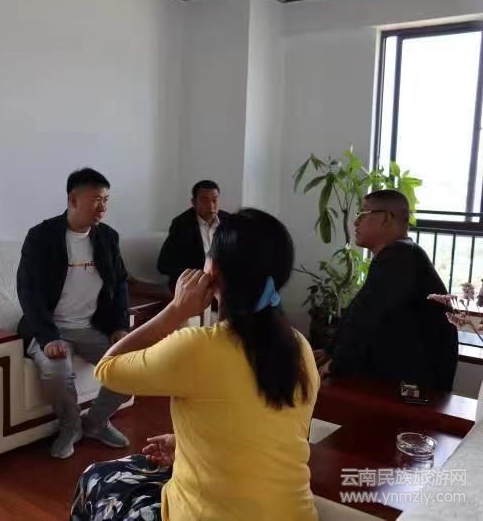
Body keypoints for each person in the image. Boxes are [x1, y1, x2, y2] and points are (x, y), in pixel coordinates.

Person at [72, 209, 319, 520]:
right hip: (296, 513)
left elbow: (108, 368)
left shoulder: (198, 347)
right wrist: (187, 444)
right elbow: (264, 432)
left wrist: (176, 310)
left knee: (96, 478)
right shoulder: (300, 346)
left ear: (212, 271)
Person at [17, 168, 132, 459]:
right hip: (51, 328)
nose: (102, 207)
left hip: (93, 327)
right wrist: (47, 337)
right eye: (96, 199)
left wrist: (120, 326)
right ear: (73, 199)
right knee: (57, 372)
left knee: (132, 367)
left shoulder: (108, 237)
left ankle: (95, 423)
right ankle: (70, 427)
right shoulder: (41, 237)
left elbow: (120, 284)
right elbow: (28, 292)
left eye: (106, 200)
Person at [316, 190, 458, 391]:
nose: (355, 223)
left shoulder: (399, 258)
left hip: (414, 389)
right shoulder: (402, 254)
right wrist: (330, 351)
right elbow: (361, 309)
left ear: (386, 219)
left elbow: (366, 319)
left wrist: (336, 364)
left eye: (362, 215)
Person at [157, 180, 230, 292]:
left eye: (214, 200)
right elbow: (164, 265)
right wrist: (201, 275)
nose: (211, 206)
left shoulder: (228, 221)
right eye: (204, 200)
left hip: (222, 284)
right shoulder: (181, 224)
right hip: (192, 285)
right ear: (194, 202)